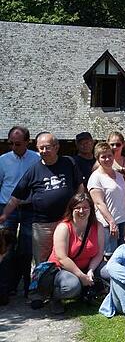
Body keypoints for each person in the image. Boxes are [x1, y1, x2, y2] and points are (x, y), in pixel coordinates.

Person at [1, 132, 84, 264]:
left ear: (56, 147)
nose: (44, 151)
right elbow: (16, 197)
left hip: (66, 221)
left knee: (67, 256)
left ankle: (65, 284)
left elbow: (80, 186)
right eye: (41, 148)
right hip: (43, 225)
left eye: (47, 147)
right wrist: (4, 215)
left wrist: (80, 206)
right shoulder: (33, 170)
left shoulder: (69, 162)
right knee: (42, 261)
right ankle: (41, 284)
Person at [47, 193, 105, 314]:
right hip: (63, 269)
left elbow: (99, 253)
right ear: (71, 209)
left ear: (91, 209)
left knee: (111, 271)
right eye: (77, 208)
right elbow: (62, 258)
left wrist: (90, 271)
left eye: (85, 207)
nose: (81, 211)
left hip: (87, 266)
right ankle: (55, 298)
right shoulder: (64, 227)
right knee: (72, 286)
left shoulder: (97, 226)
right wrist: (81, 276)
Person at [0, 125, 39, 298]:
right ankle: (6, 288)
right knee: (6, 250)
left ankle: (27, 286)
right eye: (11, 144)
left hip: (29, 208)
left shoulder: (37, 159)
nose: (14, 147)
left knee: (27, 248)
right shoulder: (3, 160)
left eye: (17, 144)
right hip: (7, 207)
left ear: (27, 142)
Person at [88, 142, 125, 257]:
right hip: (108, 224)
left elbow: (124, 198)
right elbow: (99, 203)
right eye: (103, 157)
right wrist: (111, 222)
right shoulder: (95, 178)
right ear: (98, 158)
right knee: (110, 255)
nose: (107, 159)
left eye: (109, 155)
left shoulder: (119, 176)